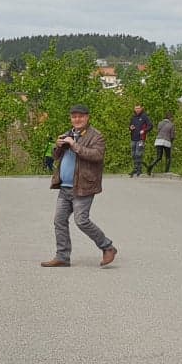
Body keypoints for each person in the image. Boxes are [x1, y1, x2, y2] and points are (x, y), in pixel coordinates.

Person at [43, 104, 116, 268]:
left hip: (83, 186)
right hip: (65, 187)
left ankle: (108, 247)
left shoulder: (96, 136)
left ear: (87, 117)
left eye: (80, 116)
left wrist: (74, 145)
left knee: (81, 221)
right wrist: (58, 146)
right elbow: (56, 156)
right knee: (59, 221)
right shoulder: (68, 134)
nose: (77, 119)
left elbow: (97, 155)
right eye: (74, 117)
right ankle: (62, 257)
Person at [128, 105, 152, 177]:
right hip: (133, 138)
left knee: (138, 154)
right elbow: (130, 126)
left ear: (141, 108)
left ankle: (139, 169)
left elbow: (150, 126)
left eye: (138, 108)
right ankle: (135, 168)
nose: (137, 110)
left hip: (141, 138)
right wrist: (130, 127)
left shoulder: (144, 116)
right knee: (133, 154)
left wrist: (144, 130)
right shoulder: (133, 117)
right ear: (134, 109)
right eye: (136, 108)